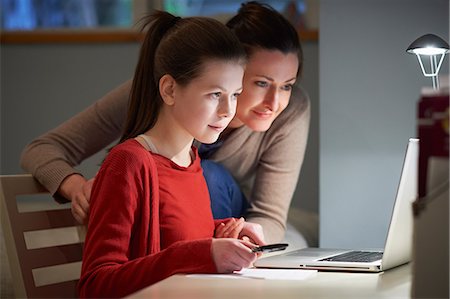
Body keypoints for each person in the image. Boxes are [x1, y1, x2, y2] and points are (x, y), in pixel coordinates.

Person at [20, 1, 310, 244]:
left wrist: (243, 237)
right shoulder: (158, 98)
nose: (275, 103)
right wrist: (75, 187)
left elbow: (270, 215)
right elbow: (42, 148)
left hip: (219, 216)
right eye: (261, 83)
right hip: (161, 213)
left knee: (205, 175)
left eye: (287, 85)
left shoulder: (290, 110)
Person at [78, 11, 263, 298]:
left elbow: (177, 237)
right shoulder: (128, 163)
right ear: (169, 90)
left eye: (235, 94)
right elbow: (95, 286)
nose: (229, 110)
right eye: (215, 94)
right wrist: (202, 253)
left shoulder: (190, 159)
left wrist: (224, 233)